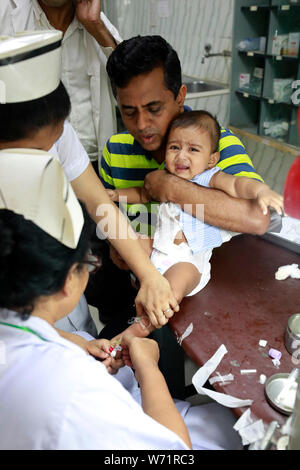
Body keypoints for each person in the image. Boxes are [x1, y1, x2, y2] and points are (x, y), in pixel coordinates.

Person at [0, 151, 243, 450]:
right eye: (87, 263)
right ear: (68, 282)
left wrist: (81, 343)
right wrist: (148, 367)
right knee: (235, 428)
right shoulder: (73, 390)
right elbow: (174, 451)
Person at [0, 31, 179, 356]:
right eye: (40, 150)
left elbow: (101, 205)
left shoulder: (57, 133)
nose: (48, 157)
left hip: (59, 305)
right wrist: (65, 344)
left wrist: (149, 275)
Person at [107, 110, 284, 337]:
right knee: (130, 242)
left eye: (192, 149)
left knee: (170, 291)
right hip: (159, 247)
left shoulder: (209, 177)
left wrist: (262, 191)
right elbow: (141, 194)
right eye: (174, 148)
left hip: (188, 261)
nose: (181, 156)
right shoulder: (165, 177)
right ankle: (141, 290)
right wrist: (114, 194)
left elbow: (239, 185)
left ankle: (136, 329)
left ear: (211, 159)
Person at [0, 0, 122, 171]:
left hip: (93, 162)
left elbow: (132, 82)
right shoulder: (6, 12)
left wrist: (97, 27)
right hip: (31, 165)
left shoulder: (94, 17)